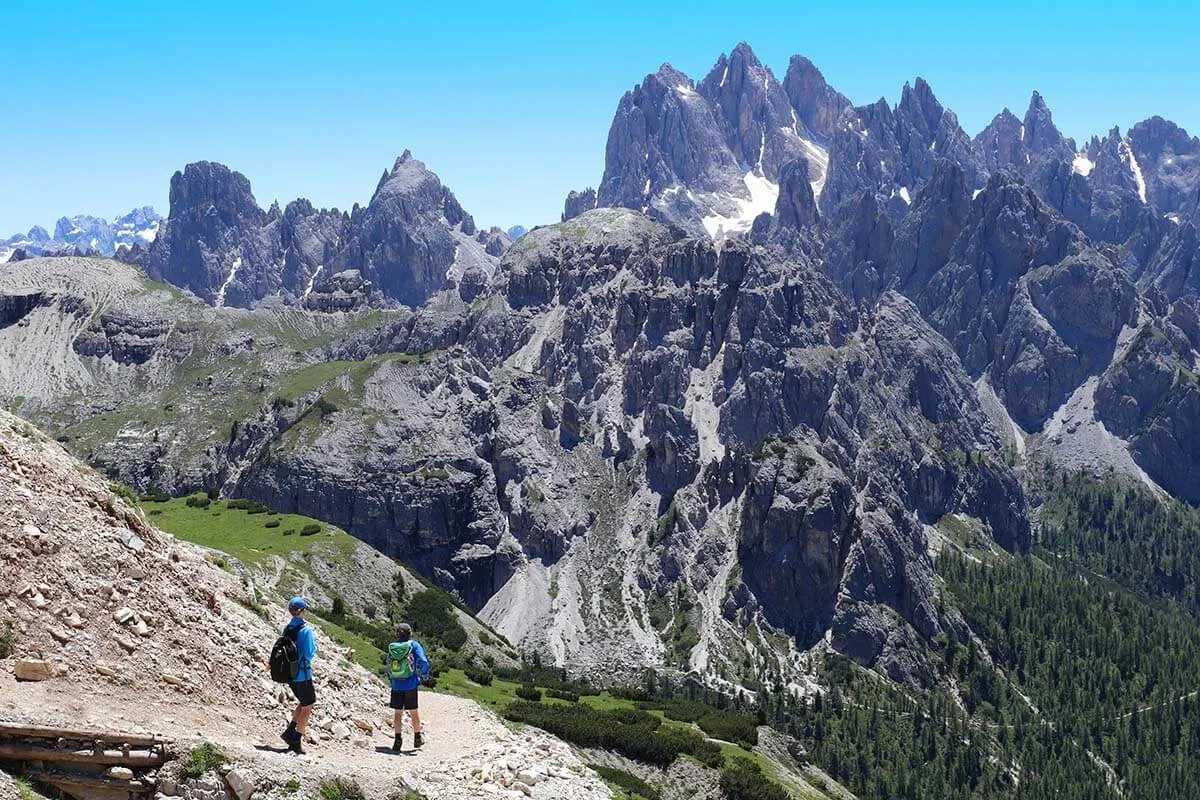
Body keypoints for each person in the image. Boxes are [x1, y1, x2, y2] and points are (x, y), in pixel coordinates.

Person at [280, 596, 317, 754]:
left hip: (289, 673)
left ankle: (290, 732)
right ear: (301, 611)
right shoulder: (306, 630)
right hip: (302, 673)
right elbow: (309, 653)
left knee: (304, 701)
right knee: (308, 704)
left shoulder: (287, 628)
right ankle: (296, 740)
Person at [387, 622, 430, 751]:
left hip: (396, 684)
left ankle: (397, 741)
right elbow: (423, 661)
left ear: (397, 634)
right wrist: (425, 675)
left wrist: (391, 679)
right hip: (410, 683)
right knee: (413, 712)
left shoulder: (393, 647)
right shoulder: (414, 645)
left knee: (398, 713)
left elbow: (388, 664)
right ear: (409, 633)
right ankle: (417, 738)